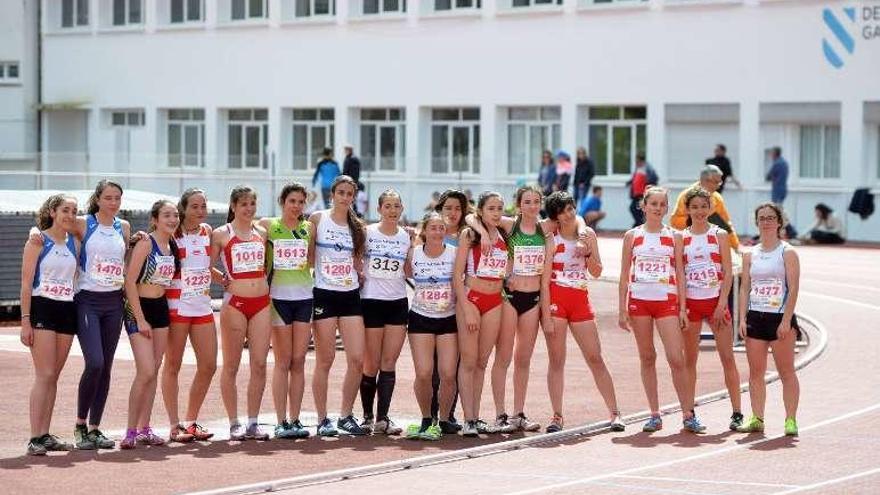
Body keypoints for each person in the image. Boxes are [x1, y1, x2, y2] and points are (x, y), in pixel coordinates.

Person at [618, 186, 706, 434]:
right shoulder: (632, 236)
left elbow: (680, 272)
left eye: (661, 204)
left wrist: (682, 308)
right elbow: (625, 274)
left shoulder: (675, 236)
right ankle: (654, 414)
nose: (657, 208)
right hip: (639, 302)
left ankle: (688, 414)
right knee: (647, 357)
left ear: (667, 208)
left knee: (676, 358)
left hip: (666, 302)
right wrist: (621, 309)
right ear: (643, 206)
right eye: (653, 203)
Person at [465, 185, 552, 433]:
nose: (532, 206)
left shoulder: (544, 229)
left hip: (533, 298)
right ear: (519, 204)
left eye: (536, 201)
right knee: (502, 357)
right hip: (510, 298)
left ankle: (518, 413)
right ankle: (500, 414)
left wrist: (583, 234)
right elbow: (472, 216)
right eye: (527, 202)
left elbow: (573, 218)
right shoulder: (509, 225)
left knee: (523, 358)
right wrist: (482, 232)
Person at [543, 191, 625, 434]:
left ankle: (615, 412)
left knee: (595, 357)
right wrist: (545, 315)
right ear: (556, 216)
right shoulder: (551, 239)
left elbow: (597, 271)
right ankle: (557, 416)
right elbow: (544, 279)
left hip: (580, 301)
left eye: (572, 208)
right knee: (557, 360)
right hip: (556, 302)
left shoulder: (588, 234)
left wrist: (588, 253)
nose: (570, 213)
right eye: (565, 210)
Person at [307, 175, 369, 436]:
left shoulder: (358, 227)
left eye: (349, 193)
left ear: (353, 197)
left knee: (356, 358)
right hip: (324, 294)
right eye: (340, 192)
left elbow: (357, 262)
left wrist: (361, 273)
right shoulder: (317, 219)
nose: (344, 197)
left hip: (350, 295)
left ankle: (345, 415)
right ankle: (322, 419)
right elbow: (309, 257)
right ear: (332, 194)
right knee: (326, 359)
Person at [211, 186, 272, 441]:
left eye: (252, 204)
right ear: (234, 206)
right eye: (244, 204)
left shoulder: (262, 232)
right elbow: (204, 265)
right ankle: (234, 422)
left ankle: (253, 421)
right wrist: (221, 278)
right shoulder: (221, 234)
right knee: (232, 365)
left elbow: (267, 265)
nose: (248, 209)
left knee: (259, 364)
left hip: (262, 303)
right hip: (235, 303)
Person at [680, 188, 744, 431]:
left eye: (703, 206)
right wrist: (683, 308)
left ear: (711, 208)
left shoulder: (719, 234)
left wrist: (720, 305)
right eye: (694, 207)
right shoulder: (681, 237)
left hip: (716, 304)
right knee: (690, 361)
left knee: (727, 357)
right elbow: (680, 274)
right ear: (687, 210)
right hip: (692, 306)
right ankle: (689, 412)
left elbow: (728, 272)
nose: (699, 211)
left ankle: (737, 412)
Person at [20, 194, 79, 455]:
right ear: (53, 212)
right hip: (42, 306)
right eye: (65, 210)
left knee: (53, 376)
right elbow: (25, 283)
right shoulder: (37, 240)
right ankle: (34, 437)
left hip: (67, 309)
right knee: (44, 374)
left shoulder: (74, 243)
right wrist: (25, 321)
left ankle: (45, 434)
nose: (70, 215)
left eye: (74, 211)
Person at [74, 180, 131, 449]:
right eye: (108, 197)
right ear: (98, 199)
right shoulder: (83, 223)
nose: (113, 202)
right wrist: (35, 233)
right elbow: (55, 226)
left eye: (117, 198)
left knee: (106, 366)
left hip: (113, 303)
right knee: (94, 362)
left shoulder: (124, 226)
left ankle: (95, 428)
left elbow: (124, 260)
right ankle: (79, 426)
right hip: (88, 301)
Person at [737, 203, 801, 437]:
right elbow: (745, 288)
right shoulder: (749, 253)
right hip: (756, 317)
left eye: (770, 218)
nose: (766, 222)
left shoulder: (788, 252)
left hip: (779, 318)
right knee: (756, 372)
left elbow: (793, 288)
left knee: (786, 371)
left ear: (779, 222)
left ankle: (790, 419)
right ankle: (757, 417)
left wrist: (786, 321)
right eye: (762, 218)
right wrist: (742, 319)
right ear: (757, 222)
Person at [121, 200, 180, 449]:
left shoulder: (172, 245)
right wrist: (141, 318)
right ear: (155, 219)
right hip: (139, 309)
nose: (172, 219)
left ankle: (145, 428)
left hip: (160, 309)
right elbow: (129, 282)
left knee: (154, 371)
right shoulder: (147, 242)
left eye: (175, 215)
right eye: (167, 215)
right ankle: (130, 432)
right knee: (145, 371)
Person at [162, 188, 218, 443]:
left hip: (202, 306)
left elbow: (204, 266)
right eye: (194, 206)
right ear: (183, 208)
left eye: (202, 206)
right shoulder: (172, 233)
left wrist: (222, 278)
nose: (199, 211)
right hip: (176, 308)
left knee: (208, 365)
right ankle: (174, 426)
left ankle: (191, 421)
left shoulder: (208, 232)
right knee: (172, 365)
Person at [259, 183, 313, 440]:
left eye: (301, 202)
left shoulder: (308, 228)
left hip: (304, 298)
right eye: (292, 201)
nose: (297, 206)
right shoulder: (269, 226)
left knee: (299, 361)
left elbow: (312, 260)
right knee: (282, 361)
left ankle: (295, 418)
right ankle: (281, 421)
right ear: (282, 201)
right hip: (278, 299)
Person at [453, 191, 508, 436]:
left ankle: (475, 414)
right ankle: (469, 419)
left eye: (499, 208)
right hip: (472, 300)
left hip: (495, 301)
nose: (496, 213)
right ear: (482, 211)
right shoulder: (470, 234)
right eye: (491, 209)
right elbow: (457, 276)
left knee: (482, 362)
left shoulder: (505, 233)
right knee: (468, 360)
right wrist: (466, 307)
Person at [359, 189, 412, 436]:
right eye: (388, 206)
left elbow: (410, 270)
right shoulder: (367, 232)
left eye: (396, 206)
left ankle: (383, 418)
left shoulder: (407, 237)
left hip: (397, 303)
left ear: (402, 210)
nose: (392, 211)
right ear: (379, 209)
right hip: (371, 301)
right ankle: (367, 416)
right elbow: (355, 258)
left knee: (389, 362)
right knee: (371, 363)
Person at [406, 212, 459, 440]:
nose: (437, 232)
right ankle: (427, 418)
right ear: (424, 231)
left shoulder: (455, 254)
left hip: (448, 319)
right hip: (420, 317)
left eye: (441, 228)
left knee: (448, 374)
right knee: (424, 372)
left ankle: (445, 419)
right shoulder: (414, 254)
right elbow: (400, 273)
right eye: (433, 228)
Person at [670, 165, 740, 251]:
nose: (719, 186)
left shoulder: (717, 198)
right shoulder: (686, 196)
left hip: (713, 245)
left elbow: (726, 224)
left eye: (720, 182)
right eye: (716, 182)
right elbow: (674, 221)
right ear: (705, 181)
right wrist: (698, 221)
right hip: (689, 243)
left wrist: (736, 246)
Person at [626, 152, 659, 228]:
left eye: (637, 161)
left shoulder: (647, 168)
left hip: (642, 194)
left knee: (634, 208)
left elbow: (654, 178)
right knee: (635, 209)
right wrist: (629, 182)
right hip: (636, 193)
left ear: (642, 161)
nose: (636, 163)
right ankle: (639, 224)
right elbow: (635, 179)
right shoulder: (638, 168)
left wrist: (648, 186)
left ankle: (639, 224)